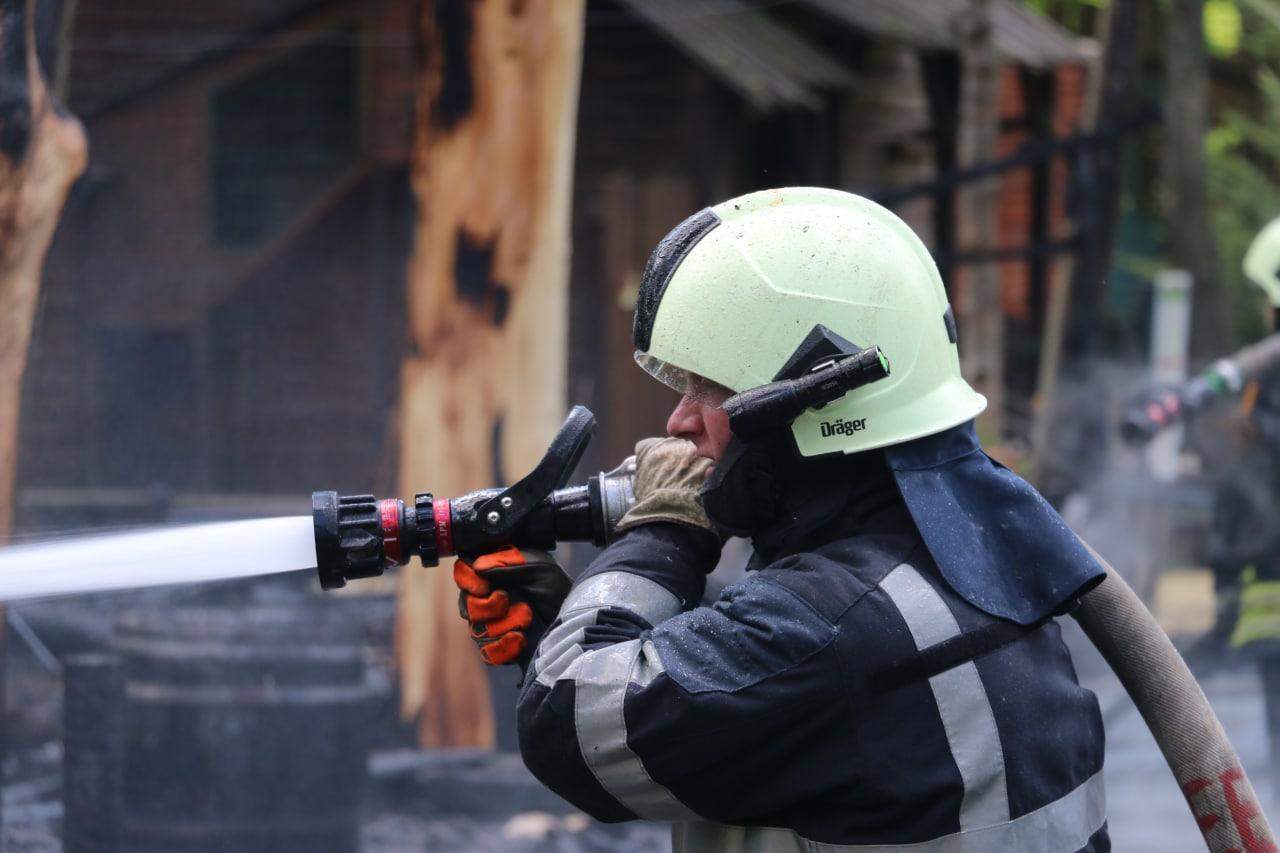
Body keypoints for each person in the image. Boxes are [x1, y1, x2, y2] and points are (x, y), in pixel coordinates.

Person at [453, 188, 1110, 851]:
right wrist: (589, 627)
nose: (679, 422)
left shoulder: (832, 626)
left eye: (708, 387)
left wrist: (662, 533)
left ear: (812, 397)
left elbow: (568, 727)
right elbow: (772, 678)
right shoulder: (954, 562)